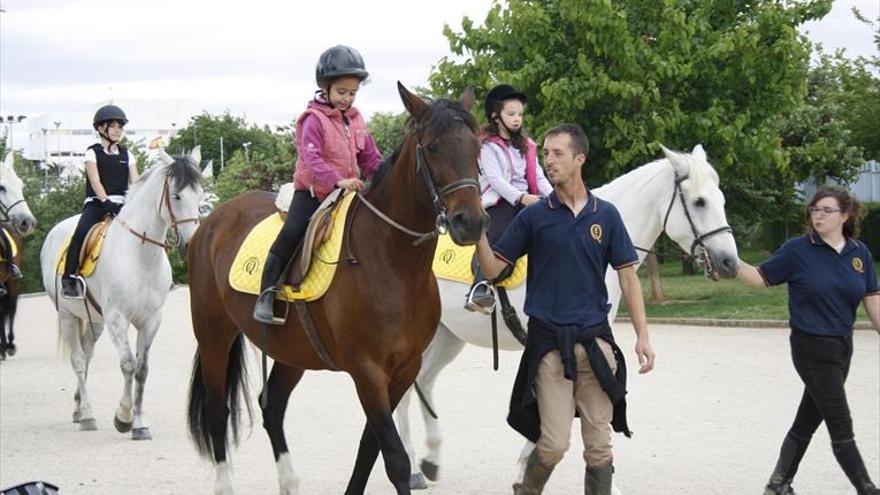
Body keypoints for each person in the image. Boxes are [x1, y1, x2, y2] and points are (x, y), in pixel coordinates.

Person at [473, 123, 655, 495]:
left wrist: (642, 336)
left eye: (557, 154)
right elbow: (494, 269)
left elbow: (628, 277)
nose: (549, 161)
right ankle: (527, 490)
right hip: (550, 348)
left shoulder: (607, 216)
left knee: (600, 447)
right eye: (546, 154)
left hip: (596, 346)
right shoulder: (534, 216)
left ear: (579, 159)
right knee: (554, 445)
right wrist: (477, 231)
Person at [737, 186, 880, 495]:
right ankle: (867, 488)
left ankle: (778, 484)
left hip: (843, 347)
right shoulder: (797, 249)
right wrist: (730, 262)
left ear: (845, 215)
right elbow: (759, 278)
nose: (818, 215)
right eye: (814, 209)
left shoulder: (860, 254)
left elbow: (873, 302)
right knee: (841, 423)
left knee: (809, 417)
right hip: (810, 346)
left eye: (827, 210)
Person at [253, 45, 383, 325]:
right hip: (314, 193)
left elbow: (371, 158)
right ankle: (266, 292)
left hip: (348, 194)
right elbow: (311, 159)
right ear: (325, 88)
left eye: (352, 93)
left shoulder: (358, 120)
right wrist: (337, 180)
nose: (347, 98)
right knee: (292, 231)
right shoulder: (313, 119)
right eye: (341, 92)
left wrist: (387, 177)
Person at [465, 84, 553, 313]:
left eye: (520, 114)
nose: (517, 119)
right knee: (500, 231)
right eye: (511, 114)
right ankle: (481, 286)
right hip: (499, 201)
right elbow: (495, 180)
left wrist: (558, 198)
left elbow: (539, 177)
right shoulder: (486, 146)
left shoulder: (527, 146)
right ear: (496, 116)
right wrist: (522, 198)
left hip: (529, 200)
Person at [61, 104, 138, 299]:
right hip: (97, 203)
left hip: (123, 205)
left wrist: (133, 203)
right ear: (100, 129)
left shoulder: (127, 154)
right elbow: (95, 181)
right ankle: (69, 277)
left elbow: (135, 182)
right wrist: (106, 202)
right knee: (80, 234)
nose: (118, 130)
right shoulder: (92, 152)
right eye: (113, 126)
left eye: (120, 126)